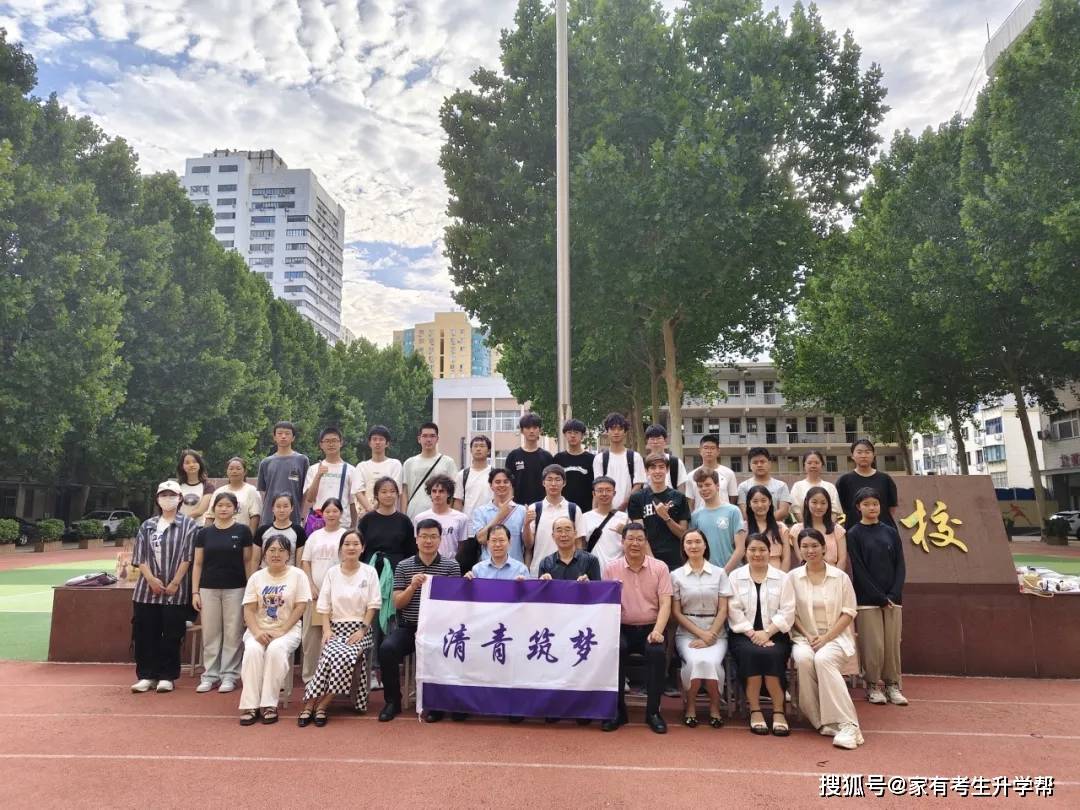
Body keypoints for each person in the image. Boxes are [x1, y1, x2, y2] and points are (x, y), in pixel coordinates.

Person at [783, 528, 864, 749]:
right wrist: (809, 635)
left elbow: (849, 612)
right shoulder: (792, 578)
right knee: (803, 658)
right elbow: (791, 613)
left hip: (836, 638)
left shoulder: (840, 577)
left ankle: (848, 725)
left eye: (814, 546)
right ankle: (820, 720)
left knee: (824, 659)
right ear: (798, 549)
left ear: (824, 547)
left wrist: (827, 637)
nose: (810, 550)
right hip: (804, 638)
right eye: (805, 546)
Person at [378, 518, 462, 722]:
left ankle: (436, 703)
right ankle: (392, 702)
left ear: (440, 539)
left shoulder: (451, 567)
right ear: (416, 540)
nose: (428, 541)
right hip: (410, 627)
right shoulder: (404, 567)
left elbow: (455, 605)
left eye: (433, 536)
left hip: (439, 628)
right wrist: (412, 587)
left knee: (442, 650)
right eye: (424, 536)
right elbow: (397, 603)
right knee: (387, 648)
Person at [298, 530, 381, 726]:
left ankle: (320, 706)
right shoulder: (332, 573)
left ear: (363, 548)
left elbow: (373, 606)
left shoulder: (369, 572)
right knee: (329, 654)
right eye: (347, 544)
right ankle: (311, 705)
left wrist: (361, 630)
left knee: (342, 656)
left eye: (355, 544)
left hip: (360, 629)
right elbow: (324, 606)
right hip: (335, 628)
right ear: (341, 548)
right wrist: (327, 631)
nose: (351, 548)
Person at [602, 523, 672, 734]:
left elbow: (666, 603)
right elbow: (606, 604)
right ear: (622, 542)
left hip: (651, 627)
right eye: (630, 539)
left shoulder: (660, 567)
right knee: (616, 652)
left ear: (645, 542)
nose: (635, 543)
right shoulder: (610, 568)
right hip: (621, 626)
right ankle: (618, 711)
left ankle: (653, 712)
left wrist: (658, 631)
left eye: (639, 539)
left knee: (656, 653)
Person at [130, 480, 199, 694]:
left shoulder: (189, 525)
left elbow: (188, 556)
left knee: (171, 634)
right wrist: (150, 579)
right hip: (147, 591)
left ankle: (167, 675)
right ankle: (146, 675)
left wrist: (175, 582)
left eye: (172, 495)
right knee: (145, 633)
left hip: (175, 591)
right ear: (157, 499)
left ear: (180, 498)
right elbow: (140, 556)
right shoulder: (148, 525)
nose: (167, 499)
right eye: (163, 495)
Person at [727, 533, 796, 736]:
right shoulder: (735, 577)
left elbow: (788, 610)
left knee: (773, 655)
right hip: (743, 634)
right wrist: (753, 633)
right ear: (745, 552)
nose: (757, 554)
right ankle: (755, 710)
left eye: (762, 550)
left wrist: (767, 633)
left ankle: (778, 711)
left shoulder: (783, 578)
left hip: (775, 633)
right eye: (752, 550)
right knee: (751, 654)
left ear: (770, 551)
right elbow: (733, 609)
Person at [239, 534, 310, 725]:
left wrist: (282, 630)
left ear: (289, 554)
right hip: (258, 629)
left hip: (288, 629)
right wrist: (256, 632)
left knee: (275, 650)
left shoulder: (298, 575)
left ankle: (269, 704)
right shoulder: (256, 577)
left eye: (281, 550)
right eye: (272, 550)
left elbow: (300, 607)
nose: (276, 554)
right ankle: (250, 704)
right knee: (253, 651)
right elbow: (249, 610)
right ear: (264, 553)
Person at [847, 487, 908, 707]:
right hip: (868, 600)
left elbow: (900, 564)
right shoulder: (854, 534)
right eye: (866, 504)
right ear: (858, 507)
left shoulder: (890, 531)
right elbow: (859, 569)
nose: (872, 508)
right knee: (873, 646)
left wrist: (893, 593)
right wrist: (879, 596)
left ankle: (892, 685)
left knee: (892, 645)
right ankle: (872, 686)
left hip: (893, 599)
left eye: (875, 504)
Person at [191, 491, 254, 694]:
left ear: (235, 509)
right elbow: (198, 564)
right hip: (208, 588)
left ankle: (230, 675)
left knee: (233, 632)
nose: (224, 508)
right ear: (214, 508)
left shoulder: (243, 531)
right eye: (220, 505)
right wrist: (195, 592)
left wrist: (250, 592)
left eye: (228, 505)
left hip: (236, 588)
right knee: (211, 633)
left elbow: (247, 561)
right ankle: (210, 675)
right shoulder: (204, 533)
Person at [670, 529, 732, 728]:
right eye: (689, 542)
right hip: (688, 633)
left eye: (698, 542)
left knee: (712, 662)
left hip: (717, 633)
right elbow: (677, 613)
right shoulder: (676, 575)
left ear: (705, 545)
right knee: (695, 662)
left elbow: (723, 609)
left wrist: (710, 634)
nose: (694, 546)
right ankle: (690, 707)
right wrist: (702, 635)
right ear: (683, 547)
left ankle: (715, 708)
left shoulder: (719, 573)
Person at [300, 498, 347, 683]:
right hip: (315, 596)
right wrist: (310, 585)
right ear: (323, 514)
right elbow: (306, 562)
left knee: (333, 637)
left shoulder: (346, 535)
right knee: (311, 639)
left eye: (335, 511)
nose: (332, 514)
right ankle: (310, 677)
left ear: (341, 513)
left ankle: (330, 678)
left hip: (338, 597)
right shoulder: (314, 536)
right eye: (328, 511)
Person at [627, 453, 691, 571]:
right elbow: (640, 535)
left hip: (676, 560)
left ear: (667, 470)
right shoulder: (637, 498)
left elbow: (683, 534)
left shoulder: (679, 497)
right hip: (648, 560)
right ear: (647, 471)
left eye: (661, 467)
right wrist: (653, 562)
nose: (657, 471)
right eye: (653, 467)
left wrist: (666, 518)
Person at [523, 464, 587, 576]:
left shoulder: (574, 509)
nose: (553, 484)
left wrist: (579, 569)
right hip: (539, 569)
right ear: (543, 483)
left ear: (564, 483)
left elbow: (579, 543)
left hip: (569, 571)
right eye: (549, 479)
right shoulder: (535, 508)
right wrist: (527, 524)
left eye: (558, 479)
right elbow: (528, 545)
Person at [690, 468, 746, 572]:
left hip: (732, 574)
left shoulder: (733, 511)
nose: (704, 489)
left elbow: (740, 549)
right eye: (700, 486)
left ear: (717, 486)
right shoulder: (695, 516)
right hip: (707, 575)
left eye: (707, 485)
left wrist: (724, 573)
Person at [303, 427, 358, 531]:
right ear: (321, 445)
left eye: (334, 441)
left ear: (341, 443)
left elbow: (352, 502)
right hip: (318, 523)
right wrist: (318, 476)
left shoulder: (351, 470)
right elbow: (310, 499)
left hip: (342, 524)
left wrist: (354, 527)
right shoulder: (314, 469)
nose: (331, 444)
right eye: (327, 441)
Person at [356, 477, 417, 571]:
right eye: (384, 492)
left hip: (397, 570)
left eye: (392, 491)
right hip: (371, 568)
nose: (388, 495)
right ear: (376, 495)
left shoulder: (404, 520)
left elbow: (411, 551)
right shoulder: (367, 519)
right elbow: (360, 547)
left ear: (397, 494)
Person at [837, 439, 899, 529]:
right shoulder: (844, 481)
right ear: (852, 456)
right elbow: (840, 508)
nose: (863, 456)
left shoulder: (885, 479)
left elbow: (891, 507)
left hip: (883, 530)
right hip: (855, 531)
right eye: (859, 452)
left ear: (873, 455)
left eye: (867, 452)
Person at [257, 421, 310, 526]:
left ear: (293, 437)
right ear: (274, 437)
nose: (283, 436)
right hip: (269, 518)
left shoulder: (302, 460)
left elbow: (307, 491)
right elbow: (262, 492)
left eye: (287, 433)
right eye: (280, 433)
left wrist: (302, 514)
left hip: (294, 516)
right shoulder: (266, 462)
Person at [402, 422, 458, 519]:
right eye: (425, 436)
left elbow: (453, 491)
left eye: (432, 436)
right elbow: (404, 493)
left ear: (437, 439)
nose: (428, 439)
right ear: (419, 439)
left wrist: (448, 513)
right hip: (414, 513)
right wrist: (403, 517)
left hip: (440, 514)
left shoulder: (448, 462)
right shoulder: (409, 463)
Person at [470, 468, 527, 563]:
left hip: (515, 568)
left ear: (511, 485)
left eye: (506, 482)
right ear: (491, 485)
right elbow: (481, 539)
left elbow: (527, 545)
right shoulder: (480, 511)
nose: (502, 485)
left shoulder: (522, 510)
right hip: (487, 568)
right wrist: (499, 516)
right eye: (497, 482)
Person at [592, 413, 645, 512]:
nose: (616, 432)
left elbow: (638, 485)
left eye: (620, 429)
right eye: (612, 429)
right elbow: (597, 487)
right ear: (607, 431)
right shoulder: (599, 459)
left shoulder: (635, 457)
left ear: (625, 432)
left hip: (631, 512)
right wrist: (594, 513)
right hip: (605, 512)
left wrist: (623, 505)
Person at [791, 486, 848, 570]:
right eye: (814, 502)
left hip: (834, 575)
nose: (818, 507)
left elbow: (842, 560)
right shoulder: (797, 530)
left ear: (828, 505)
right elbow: (802, 559)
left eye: (823, 503)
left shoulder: (837, 529)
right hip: (808, 575)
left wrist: (836, 578)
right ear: (807, 502)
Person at [413, 475, 470, 558]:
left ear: (449, 494)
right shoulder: (420, 518)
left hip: (451, 565)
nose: (437, 494)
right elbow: (418, 545)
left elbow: (462, 547)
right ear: (430, 493)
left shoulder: (461, 518)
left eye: (441, 491)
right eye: (434, 491)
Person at [505, 412, 555, 507]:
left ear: (540, 430)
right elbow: (508, 483)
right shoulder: (513, 456)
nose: (531, 431)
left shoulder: (547, 457)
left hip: (543, 506)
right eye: (528, 428)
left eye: (535, 428)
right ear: (522, 430)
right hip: (518, 506)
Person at [355, 425, 403, 515]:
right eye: (374, 439)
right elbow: (358, 492)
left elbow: (396, 491)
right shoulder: (361, 466)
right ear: (369, 443)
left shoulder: (395, 464)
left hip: (389, 514)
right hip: (366, 515)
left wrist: (379, 511)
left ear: (387, 443)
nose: (377, 442)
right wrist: (371, 511)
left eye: (381, 439)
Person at [205, 457, 262, 532]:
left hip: (242, 534)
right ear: (227, 471)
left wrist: (249, 538)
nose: (234, 471)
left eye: (238, 469)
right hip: (219, 534)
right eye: (231, 469)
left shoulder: (252, 491)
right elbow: (210, 516)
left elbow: (255, 516)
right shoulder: (219, 491)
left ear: (245, 472)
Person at [582, 476, 627, 571]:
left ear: (614, 493)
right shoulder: (585, 518)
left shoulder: (624, 518)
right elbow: (581, 547)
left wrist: (625, 533)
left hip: (619, 570)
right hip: (594, 571)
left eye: (608, 490)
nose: (604, 494)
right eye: (600, 490)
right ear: (594, 494)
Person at [737, 447, 793, 522]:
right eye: (755, 462)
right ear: (750, 465)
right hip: (751, 530)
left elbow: (783, 512)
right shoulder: (743, 487)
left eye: (762, 462)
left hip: (776, 529)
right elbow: (744, 513)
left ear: (769, 464)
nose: (759, 465)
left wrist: (765, 523)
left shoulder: (781, 486)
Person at [538, 517, 601, 581]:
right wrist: (543, 583)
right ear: (553, 536)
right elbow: (540, 590)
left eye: (567, 530)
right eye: (559, 531)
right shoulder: (545, 563)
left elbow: (598, 589)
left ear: (575, 534)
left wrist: (589, 585)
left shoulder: (591, 561)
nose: (563, 534)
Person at [253, 493, 307, 568]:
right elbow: (255, 560)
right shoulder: (262, 530)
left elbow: (299, 562)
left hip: (289, 575)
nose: (282, 510)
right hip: (265, 575)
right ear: (272, 508)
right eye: (278, 506)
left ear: (292, 508)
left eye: (285, 506)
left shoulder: (299, 531)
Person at [686, 434, 739, 510]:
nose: (709, 451)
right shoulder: (691, 475)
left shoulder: (729, 473)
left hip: (723, 518)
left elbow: (733, 497)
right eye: (706, 448)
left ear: (718, 451)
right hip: (700, 518)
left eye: (712, 448)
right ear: (700, 451)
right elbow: (690, 502)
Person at [745, 484, 791, 572]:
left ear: (769, 502)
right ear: (749, 504)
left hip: (778, 576)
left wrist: (782, 578)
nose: (760, 505)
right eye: (755, 501)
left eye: (763, 501)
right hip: (752, 576)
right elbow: (744, 557)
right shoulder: (744, 528)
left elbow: (786, 558)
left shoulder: (781, 528)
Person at [789, 450, 843, 524]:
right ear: (804, 465)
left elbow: (835, 510)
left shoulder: (830, 487)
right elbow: (796, 510)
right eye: (809, 463)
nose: (813, 466)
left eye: (817, 463)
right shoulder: (797, 486)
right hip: (804, 529)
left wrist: (826, 527)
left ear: (822, 465)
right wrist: (807, 527)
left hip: (827, 529)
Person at [553, 418, 595, 512]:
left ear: (582, 435)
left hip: (586, 509)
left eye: (576, 432)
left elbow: (595, 486)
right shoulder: (558, 458)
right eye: (569, 432)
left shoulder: (592, 459)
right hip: (562, 509)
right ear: (564, 435)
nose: (572, 436)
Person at [466, 524, 530, 580]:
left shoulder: (521, 569)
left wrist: (524, 586)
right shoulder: (477, 570)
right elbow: (471, 593)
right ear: (488, 543)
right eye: (494, 540)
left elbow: (529, 593)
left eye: (501, 540)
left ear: (509, 542)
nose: (497, 544)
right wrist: (466, 582)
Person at [452, 435, 494, 519]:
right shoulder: (462, 475)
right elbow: (458, 501)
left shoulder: (494, 474)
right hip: (469, 522)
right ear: (471, 450)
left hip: (491, 522)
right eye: (475, 446)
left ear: (489, 451)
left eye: (482, 446)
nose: (478, 449)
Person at [644, 424, 688, 493]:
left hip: (672, 502)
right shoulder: (642, 463)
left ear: (665, 440)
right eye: (652, 439)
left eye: (659, 438)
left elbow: (681, 489)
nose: (655, 442)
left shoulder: (675, 462)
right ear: (647, 441)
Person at [176, 449, 214, 523]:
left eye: (194, 462)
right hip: (178, 529)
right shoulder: (176, 486)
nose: (191, 465)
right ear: (182, 466)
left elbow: (200, 511)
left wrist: (179, 520)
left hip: (199, 528)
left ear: (200, 464)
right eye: (187, 463)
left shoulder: (208, 487)